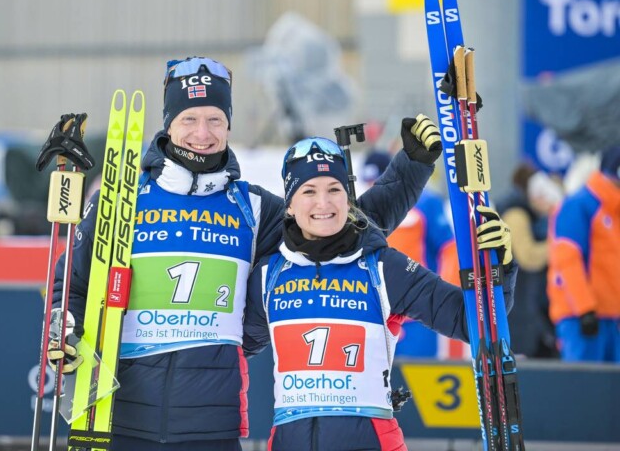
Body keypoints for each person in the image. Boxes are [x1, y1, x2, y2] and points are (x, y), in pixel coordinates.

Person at [49, 56, 444, 450]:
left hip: (212, 428)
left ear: (228, 124)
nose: (202, 133)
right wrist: (63, 333)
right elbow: (73, 285)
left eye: (215, 119)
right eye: (189, 119)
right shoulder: (122, 200)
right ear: (169, 123)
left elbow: (336, 228)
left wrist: (410, 168)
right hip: (119, 420)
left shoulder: (253, 209)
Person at [242, 137, 518, 451]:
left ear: (348, 199)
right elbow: (233, 347)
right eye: (309, 191)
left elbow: (471, 322)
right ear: (289, 204)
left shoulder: (383, 267)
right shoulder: (269, 275)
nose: (323, 203)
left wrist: (498, 270)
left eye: (334, 189)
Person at [360, 150, 461, 358]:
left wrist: (447, 296)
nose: (372, 188)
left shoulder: (425, 203)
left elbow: (449, 248)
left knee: (417, 373)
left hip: (416, 314)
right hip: (376, 315)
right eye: (368, 182)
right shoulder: (360, 209)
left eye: (376, 182)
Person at [548, 145, 620, 363]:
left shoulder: (613, 210)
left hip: (612, 317)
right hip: (581, 318)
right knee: (583, 382)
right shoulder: (579, 205)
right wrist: (584, 309)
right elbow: (568, 259)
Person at [498, 163, 563, 358]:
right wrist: (563, 244)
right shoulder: (516, 214)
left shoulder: (532, 215)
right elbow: (528, 256)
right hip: (520, 307)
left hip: (532, 306)